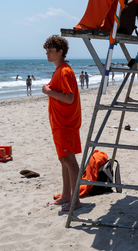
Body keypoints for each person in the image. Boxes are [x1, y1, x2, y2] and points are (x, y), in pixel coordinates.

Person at [41, 35, 82, 212]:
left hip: (65, 123)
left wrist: (48, 92)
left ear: (60, 52)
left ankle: (75, 200)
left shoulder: (64, 70)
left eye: (50, 51)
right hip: (60, 122)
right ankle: (66, 195)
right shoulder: (60, 70)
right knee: (63, 159)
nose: (47, 54)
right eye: (46, 51)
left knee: (69, 159)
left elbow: (69, 97)